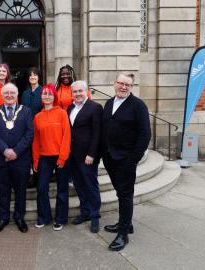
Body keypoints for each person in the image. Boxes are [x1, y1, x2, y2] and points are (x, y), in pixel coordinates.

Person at [102, 72, 151, 251]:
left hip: (126, 160)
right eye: (120, 83)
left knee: (125, 195)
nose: (123, 87)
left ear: (131, 87)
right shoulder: (109, 103)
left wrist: (134, 159)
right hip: (109, 158)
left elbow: (145, 134)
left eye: (127, 85)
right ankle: (126, 223)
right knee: (120, 192)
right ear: (114, 83)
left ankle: (123, 234)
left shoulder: (138, 106)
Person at [0, 83, 33, 234]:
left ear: (17, 94)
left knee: (21, 190)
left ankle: (19, 217)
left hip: (21, 159)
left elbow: (29, 134)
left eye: (12, 92)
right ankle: (3, 218)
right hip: (1, 159)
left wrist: (15, 151)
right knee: (2, 190)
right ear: (1, 95)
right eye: (6, 93)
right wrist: (5, 150)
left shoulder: (26, 111)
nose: (9, 95)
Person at [32, 84, 71, 231]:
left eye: (50, 94)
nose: (47, 96)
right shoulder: (37, 117)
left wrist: (62, 158)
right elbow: (35, 140)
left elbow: (67, 136)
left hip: (60, 156)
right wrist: (35, 160)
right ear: (41, 97)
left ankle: (60, 219)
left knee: (62, 189)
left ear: (54, 96)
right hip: (44, 158)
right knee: (41, 188)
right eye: (44, 94)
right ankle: (44, 217)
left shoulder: (61, 113)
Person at [67, 80, 103, 233]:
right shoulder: (70, 107)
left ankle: (95, 217)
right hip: (73, 155)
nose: (77, 94)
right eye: (74, 92)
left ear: (86, 91)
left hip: (87, 156)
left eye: (80, 91)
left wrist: (92, 154)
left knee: (91, 186)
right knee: (79, 185)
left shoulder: (95, 108)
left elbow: (98, 133)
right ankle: (85, 212)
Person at [21, 67, 43, 188]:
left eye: (35, 75)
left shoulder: (43, 91)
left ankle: (38, 176)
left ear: (39, 77)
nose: (32, 77)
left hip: (40, 127)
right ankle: (30, 176)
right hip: (27, 127)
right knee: (29, 152)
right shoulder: (25, 93)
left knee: (38, 152)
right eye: (30, 75)